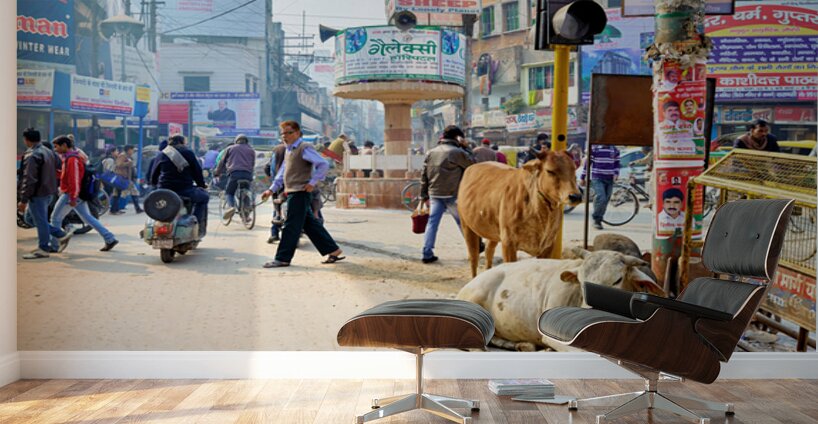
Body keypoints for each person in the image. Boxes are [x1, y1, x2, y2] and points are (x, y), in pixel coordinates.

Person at [260, 120, 344, 268]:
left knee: (291, 226)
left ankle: (283, 258)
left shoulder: (304, 147)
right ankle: (333, 250)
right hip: (292, 190)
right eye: (283, 133)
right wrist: (271, 189)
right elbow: (282, 173)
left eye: (289, 132)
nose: (285, 136)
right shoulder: (288, 149)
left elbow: (323, 164)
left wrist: (312, 182)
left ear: (297, 133)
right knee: (310, 225)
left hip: (300, 191)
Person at [49, 135, 119, 252]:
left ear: (64, 145)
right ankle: (110, 238)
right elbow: (68, 176)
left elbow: (74, 180)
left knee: (55, 218)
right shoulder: (71, 158)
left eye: (56, 147)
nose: (55, 149)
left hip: (71, 194)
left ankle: (55, 245)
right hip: (75, 194)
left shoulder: (72, 159)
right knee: (87, 218)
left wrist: (73, 197)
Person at [420, 125, 475, 264]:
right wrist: (466, 147)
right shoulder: (457, 152)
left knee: (432, 223)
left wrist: (423, 195)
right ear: (458, 137)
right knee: (463, 223)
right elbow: (473, 165)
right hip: (453, 194)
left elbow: (424, 175)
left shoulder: (430, 152)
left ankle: (427, 253)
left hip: (435, 193)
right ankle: (474, 248)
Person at [17, 129, 74, 259]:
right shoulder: (48, 151)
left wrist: (23, 200)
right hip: (49, 191)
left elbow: (29, 179)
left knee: (40, 220)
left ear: (26, 140)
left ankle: (43, 248)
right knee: (30, 219)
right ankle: (61, 235)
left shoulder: (32, 155)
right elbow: (59, 165)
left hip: (37, 193)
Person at [149, 135, 210, 237]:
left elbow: (154, 176)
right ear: (182, 143)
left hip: (164, 191)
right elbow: (197, 172)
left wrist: (155, 185)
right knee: (204, 198)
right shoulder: (188, 153)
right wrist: (202, 185)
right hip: (184, 190)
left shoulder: (161, 155)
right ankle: (198, 226)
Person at [215, 134, 256, 221]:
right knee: (246, 191)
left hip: (235, 174)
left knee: (229, 192)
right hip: (247, 174)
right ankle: (246, 215)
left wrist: (217, 173)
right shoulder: (251, 150)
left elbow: (222, 162)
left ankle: (231, 207)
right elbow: (252, 164)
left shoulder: (230, 148)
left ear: (236, 141)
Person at [580, 144, 620, 230]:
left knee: (606, 199)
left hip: (609, 178)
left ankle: (599, 218)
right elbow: (587, 164)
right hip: (597, 177)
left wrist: (616, 173)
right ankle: (596, 219)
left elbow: (617, 163)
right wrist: (582, 177)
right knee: (601, 197)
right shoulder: (595, 149)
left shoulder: (615, 150)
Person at [110, 145, 143, 215]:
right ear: (128, 150)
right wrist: (128, 163)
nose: (133, 151)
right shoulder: (123, 155)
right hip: (122, 177)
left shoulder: (127, 156)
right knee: (133, 192)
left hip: (125, 178)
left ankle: (114, 209)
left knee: (118, 193)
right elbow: (119, 164)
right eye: (132, 150)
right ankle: (137, 208)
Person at [265, 142, 287, 244]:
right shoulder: (295, 150)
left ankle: (274, 233)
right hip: (292, 184)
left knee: (276, 208)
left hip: (277, 184)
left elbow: (268, 168)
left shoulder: (276, 150)